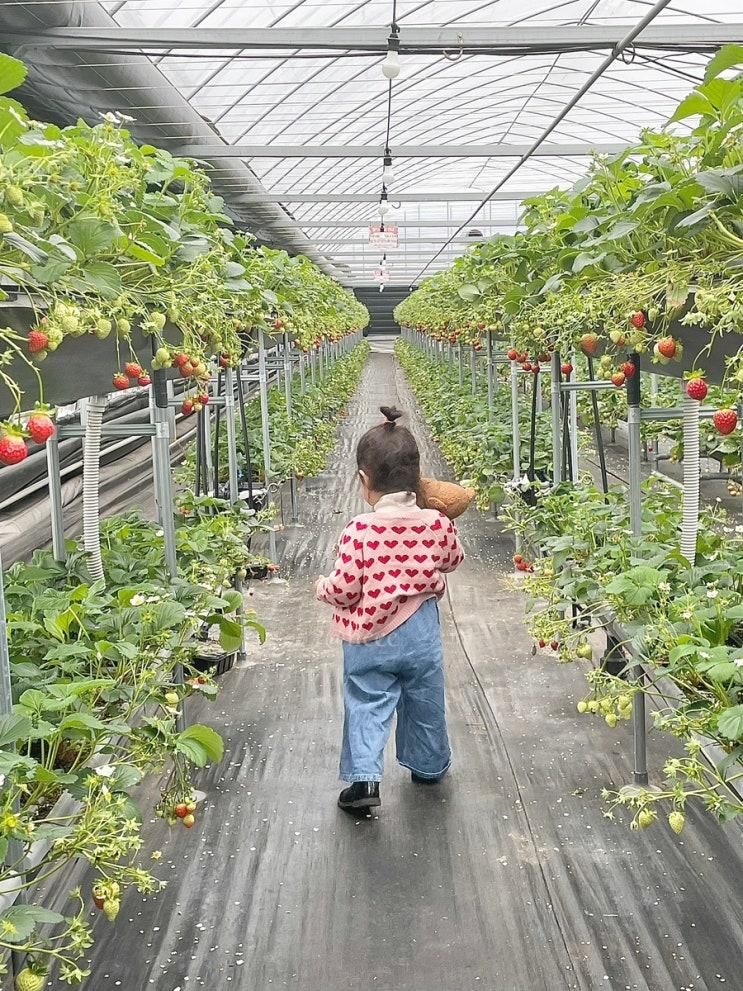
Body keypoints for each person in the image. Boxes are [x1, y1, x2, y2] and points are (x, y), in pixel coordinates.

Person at [316, 406, 465, 813]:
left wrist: (323, 588)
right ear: (419, 478)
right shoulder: (437, 523)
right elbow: (453, 561)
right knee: (425, 699)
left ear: (365, 481)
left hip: (370, 639)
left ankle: (365, 780)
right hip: (420, 634)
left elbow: (346, 590)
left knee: (366, 700)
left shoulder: (359, 531)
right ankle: (429, 765)